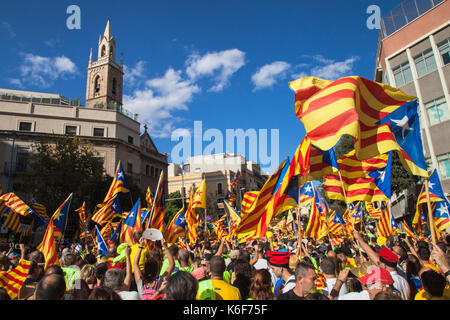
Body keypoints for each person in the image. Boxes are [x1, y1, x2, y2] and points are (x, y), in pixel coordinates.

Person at [353, 230, 410, 300]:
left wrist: (359, 239)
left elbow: (374, 257)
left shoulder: (388, 282)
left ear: (383, 265)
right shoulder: (402, 277)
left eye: (392, 249)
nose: (390, 250)